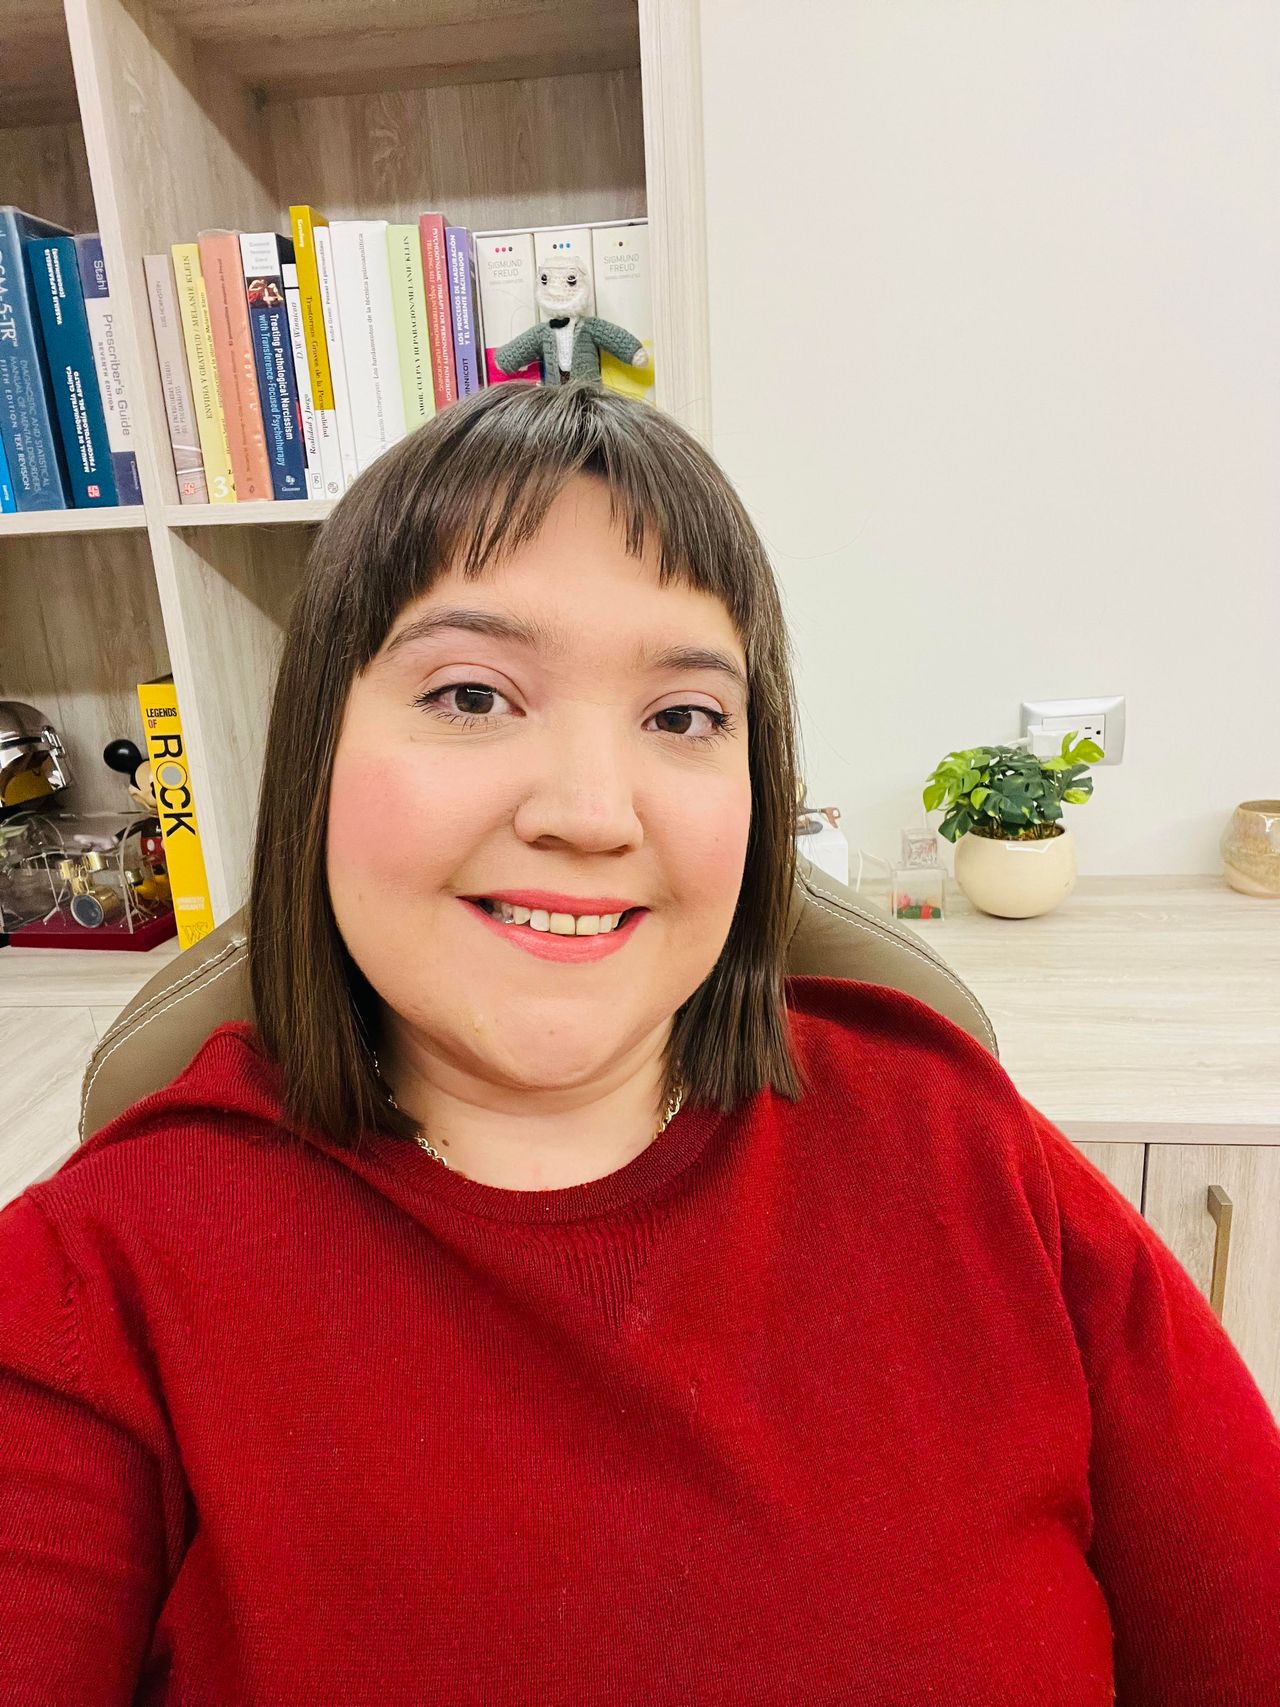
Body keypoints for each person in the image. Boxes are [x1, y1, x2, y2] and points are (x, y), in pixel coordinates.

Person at [0, 381, 1277, 1705]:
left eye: (682, 717)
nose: (593, 811)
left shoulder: (969, 1155)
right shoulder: (92, 1286)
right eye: (473, 694)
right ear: (316, 750)